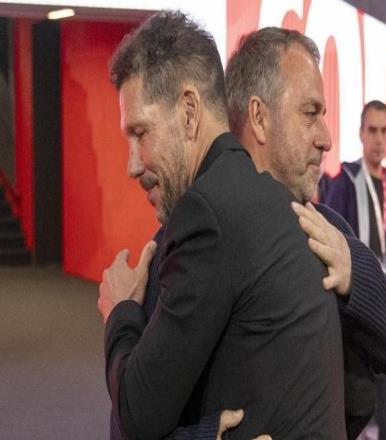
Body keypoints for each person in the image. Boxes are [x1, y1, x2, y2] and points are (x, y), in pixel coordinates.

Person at [99, 11, 349, 439]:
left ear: (189, 111)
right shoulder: (275, 203)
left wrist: (120, 311)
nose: (132, 165)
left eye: (141, 133)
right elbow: (359, 396)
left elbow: (137, 414)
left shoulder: (207, 213)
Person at [319, 100, 386, 439]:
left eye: (385, 131)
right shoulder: (344, 182)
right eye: (372, 130)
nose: (379, 139)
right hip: (355, 313)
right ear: (361, 134)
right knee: (353, 406)